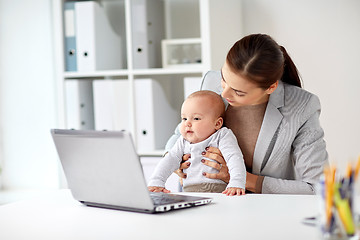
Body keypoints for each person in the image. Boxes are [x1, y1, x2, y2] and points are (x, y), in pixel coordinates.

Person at [167, 33, 329, 194]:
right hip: (204, 202)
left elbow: (317, 188)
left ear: (270, 88)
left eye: (238, 92)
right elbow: (177, 138)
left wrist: (240, 178)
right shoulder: (211, 81)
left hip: (263, 210)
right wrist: (178, 161)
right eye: (224, 78)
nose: (224, 94)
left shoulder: (302, 106)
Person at [148, 90, 246, 196]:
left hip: (220, 192)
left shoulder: (222, 135)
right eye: (184, 118)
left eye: (196, 118)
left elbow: (234, 158)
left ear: (217, 123)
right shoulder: (183, 140)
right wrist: (157, 182)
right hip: (189, 193)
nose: (187, 123)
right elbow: (169, 159)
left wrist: (236, 183)